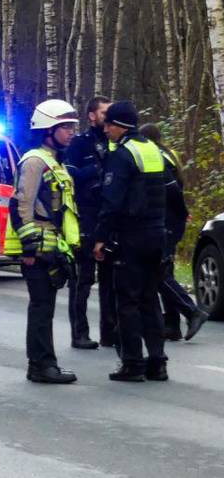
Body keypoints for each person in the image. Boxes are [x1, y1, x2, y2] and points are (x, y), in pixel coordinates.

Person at [95, 101, 185, 382]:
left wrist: (100, 237)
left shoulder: (122, 155)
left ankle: (132, 363)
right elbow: (169, 193)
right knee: (149, 299)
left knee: (128, 301)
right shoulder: (152, 150)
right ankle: (158, 362)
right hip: (157, 235)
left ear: (121, 126)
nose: (106, 129)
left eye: (109, 124)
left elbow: (112, 201)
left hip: (131, 236)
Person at [5, 99, 81, 384]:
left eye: (73, 127)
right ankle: (40, 365)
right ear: (48, 129)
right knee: (41, 308)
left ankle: (44, 363)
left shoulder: (53, 161)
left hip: (51, 246)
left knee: (45, 307)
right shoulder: (35, 161)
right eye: (65, 127)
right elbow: (22, 205)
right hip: (37, 249)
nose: (71, 132)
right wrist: (29, 249)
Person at [138, 123, 208, 341]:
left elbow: (172, 189)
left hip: (166, 221)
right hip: (172, 219)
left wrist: (181, 211)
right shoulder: (169, 154)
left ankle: (191, 310)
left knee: (159, 273)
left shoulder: (156, 157)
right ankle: (172, 325)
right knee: (165, 269)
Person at [63, 96, 111, 350]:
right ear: (92, 115)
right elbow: (70, 175)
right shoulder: (80, 144)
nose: (108, 116)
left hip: (108, 217)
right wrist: (95, 172)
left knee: (110, 278)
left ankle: (109, 332)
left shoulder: (114, 142)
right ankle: (79, 333)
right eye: (104, 111)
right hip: (85, 216)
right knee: (83, 279)